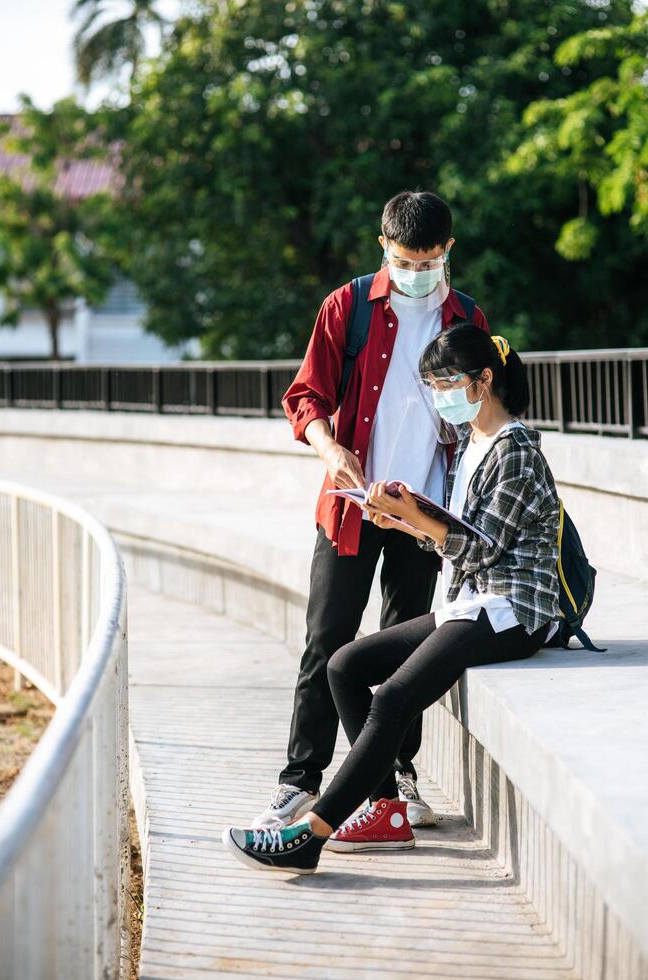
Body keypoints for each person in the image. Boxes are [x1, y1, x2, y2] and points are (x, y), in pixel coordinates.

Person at [223, 325, 561, 873]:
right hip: (469, 603)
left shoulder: (515, 448)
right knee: (344, 665)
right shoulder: (470, 444)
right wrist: (400, 521)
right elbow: (454, 538)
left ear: (484, 380)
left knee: (392, 698)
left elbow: (485, 551)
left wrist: (413, 519)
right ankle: (386, 809)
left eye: (447, 381)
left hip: (512, 609)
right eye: (431, 384)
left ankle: (310, 834)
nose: (439, 394)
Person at [252, 191, 489, 830]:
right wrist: (330, 451)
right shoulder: (349, 306)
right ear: (383, 245)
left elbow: (479, 415)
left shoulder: (465, 317)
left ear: (449, 253)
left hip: (423, 516)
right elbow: (305, 394)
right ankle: (300, 779)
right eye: (408, 260)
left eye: (431, 260)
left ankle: (398, 778)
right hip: (351, 505)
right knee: (325, 641)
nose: (419, 273)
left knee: (401, 651)